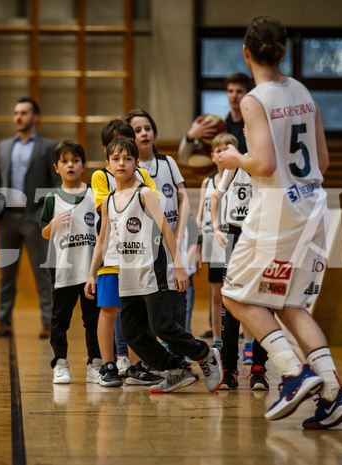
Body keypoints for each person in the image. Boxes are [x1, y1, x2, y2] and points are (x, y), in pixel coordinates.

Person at [218, 16, 342, 429]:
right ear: (282, 50)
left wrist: (233, 159)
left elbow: (262, 163)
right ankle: (334, 391)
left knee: (235, 296)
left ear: (246, 53)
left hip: (277, 210)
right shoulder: (302, 90)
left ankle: (293, 372)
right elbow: (325, 161)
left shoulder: (254, 99)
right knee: (291, 303)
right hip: (313, 205)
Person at [85, 138, 223, 394]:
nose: (122, 163)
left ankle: (205, 354)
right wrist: (91, 274)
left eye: (127, 159)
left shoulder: (145, 193)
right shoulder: (108, 201)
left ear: (137, 163)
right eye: (116, 159)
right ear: (108, 164)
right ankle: (177, 370)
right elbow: (102, 240)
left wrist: (178, 264)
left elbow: (166, 229)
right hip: (126, 274)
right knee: (132, 334)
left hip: (152, 269)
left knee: (161, 326)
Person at [90, 119, 163, 387]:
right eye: (115, 152)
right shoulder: (100, 176)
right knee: (108, 310)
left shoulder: (143, 176)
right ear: (107, 155)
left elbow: (153, 204)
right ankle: (108, 364)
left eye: (127, 151)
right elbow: (105, 208)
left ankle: (136, 366)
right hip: (112, 253)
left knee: (138, 315)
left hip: (139, 257)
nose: (121, 159)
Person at [0, 97, 60, 339]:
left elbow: (57, 183)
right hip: (6, 218)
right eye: (16, 113)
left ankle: (48, 323)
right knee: (6, 275)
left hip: (34, 219)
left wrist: (43, 212)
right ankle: (3, 321)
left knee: (43, 273)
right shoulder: (4, 146)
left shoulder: (49, 147)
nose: (18, 117)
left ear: (35, 117)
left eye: (24, 113)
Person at [124, 109, 192, 343]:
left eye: (147, 128)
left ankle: (179, 361)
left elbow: (184, 199)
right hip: (145, 251)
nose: (144, 133)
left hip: (173, 243)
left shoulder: (168, 162)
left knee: (178, 309)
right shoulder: (128, 170)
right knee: (147, 313)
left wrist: (180, 235)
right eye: (137, 130)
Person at [209, 132, 270, 391]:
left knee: (262, 303)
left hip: (263, 236)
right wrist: (216, 227)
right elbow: (215, 197)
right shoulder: (235, 164)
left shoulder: (271, 166)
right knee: (231, 304)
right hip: (235, 235)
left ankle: (258, 368)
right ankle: (229, 369)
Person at [39, 140, 102, 384]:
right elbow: (44, 232)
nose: (70, 165)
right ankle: (60, 363)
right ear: (57, 167)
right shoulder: (52, 198)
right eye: (64, 161)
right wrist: (53, 225)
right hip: (63, 270)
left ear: (83, 165)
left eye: (75, 161)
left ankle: (95, 364)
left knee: (93, 320)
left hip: (90, 271)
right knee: (60, 320)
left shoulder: (94, 194)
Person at [195, 137, 228, 350]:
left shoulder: (242, 181)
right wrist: (197, 248)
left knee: (238, 295)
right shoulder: (207, 183)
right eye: (218, 150)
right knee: (216, 293)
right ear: (212, 156)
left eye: (227, 149)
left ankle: (249, 342)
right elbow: (199, 218)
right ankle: (218, 338)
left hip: (236, 245)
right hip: (213, 247)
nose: (222, 153)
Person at [178, 73, 253, 166]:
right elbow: (183, 159)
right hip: (222, 176)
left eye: (239, 91)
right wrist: (190, 136)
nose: (234, 95)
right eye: (230, 91)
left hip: (247, 175)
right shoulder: (217, 124)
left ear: (248, 94)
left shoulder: (254, 123)